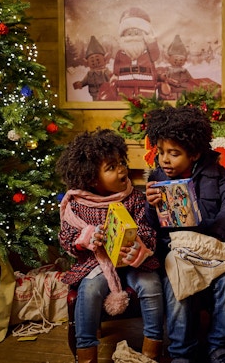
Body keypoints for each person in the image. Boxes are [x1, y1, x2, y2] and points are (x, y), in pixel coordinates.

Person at [144, 106, 225, 363]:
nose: (165, 160)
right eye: (161, 152)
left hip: (212, 247)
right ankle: (181, 353)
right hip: (175, 252)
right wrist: (150, 206)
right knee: (177, 277)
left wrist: (212, 230)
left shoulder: (218, 174)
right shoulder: (156, 178)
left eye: (174, 154)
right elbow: (148, 228)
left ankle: (219, 349)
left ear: (194, 154)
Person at [56, 129, 164, 363]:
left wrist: (139, 247)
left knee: (152, 284)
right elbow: (66, 237)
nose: (122, 169)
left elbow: (147, 229)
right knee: (89, 290)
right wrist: (86, 238)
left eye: (121, 163)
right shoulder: (78, 204)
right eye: (111, 167)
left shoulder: (133, 197)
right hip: (98, 264)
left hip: (133, 263)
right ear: (92, 178)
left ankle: (151, 349)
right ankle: (86, 354)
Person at [99, 7, 161, 100]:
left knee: (146, 103)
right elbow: (117, 65)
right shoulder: (121, 53)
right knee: (124, 102)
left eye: (136, 33)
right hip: (124, 83)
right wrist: (115, 75)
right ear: (123, 36)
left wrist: (151, 42)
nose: (132, 36)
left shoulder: (148, 52)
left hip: (146, 83)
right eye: (129, 33)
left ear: (144, 35)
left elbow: (155, 56)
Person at [72, 35, 112, 101]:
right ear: (87, 63)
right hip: (94, 95)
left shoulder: (105, 72)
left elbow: (112, 80)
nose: (95, 62)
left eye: (97, 59)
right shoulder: (89, 74)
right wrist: (80, 84)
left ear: (104, 59)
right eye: (92, 61)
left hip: (106, 94)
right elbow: (84, 82)